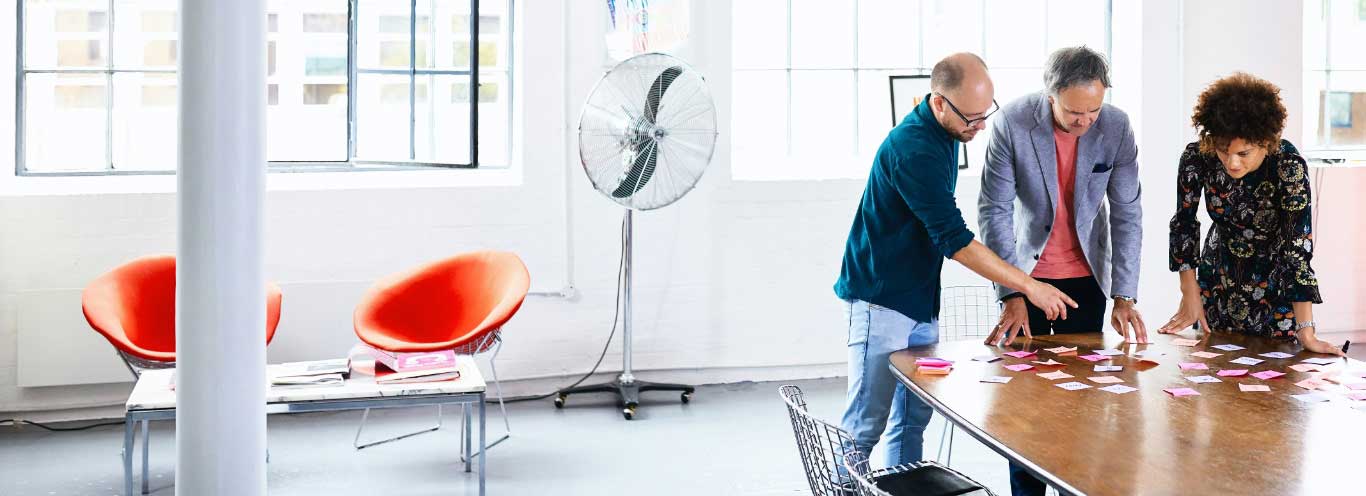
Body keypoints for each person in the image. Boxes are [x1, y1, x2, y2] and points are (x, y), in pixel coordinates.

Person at [833, 52, 1077, 469]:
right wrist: (1029, 285)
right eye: (972, 118)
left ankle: (902, 488)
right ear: (940, 102)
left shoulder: (947, 133)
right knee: (866, 423)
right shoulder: (915, 150)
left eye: (987, 113)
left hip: (919, 297)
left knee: (913, 417)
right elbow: (955, 240)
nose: (981, 126)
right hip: (880, 298)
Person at [976, 45, 1145, 496]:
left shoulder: (1117, 126)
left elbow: (1127, 211)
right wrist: (1012, 292)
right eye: (1074, 111)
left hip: (1086, 280)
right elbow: (993, 211)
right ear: (1050, 95)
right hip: (1026, 277)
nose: (1085, 120)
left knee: (1082, 403)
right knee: (1025, 406)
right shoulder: (1012, 121)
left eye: (1094, 109)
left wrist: (1124, 294)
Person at [1157, 72, 1343, 357]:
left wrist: (1306, 329)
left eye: (1244, 153)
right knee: (1217, 369)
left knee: (1275, 378)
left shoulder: (1287, 164)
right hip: (1218, 280)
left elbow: (1297, 246)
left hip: (1274, 285)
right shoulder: (1197, 157)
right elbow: (1184, 224)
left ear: (1266, 142)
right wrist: (1189, 292)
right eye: (1223, 150)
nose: (1231, 162)